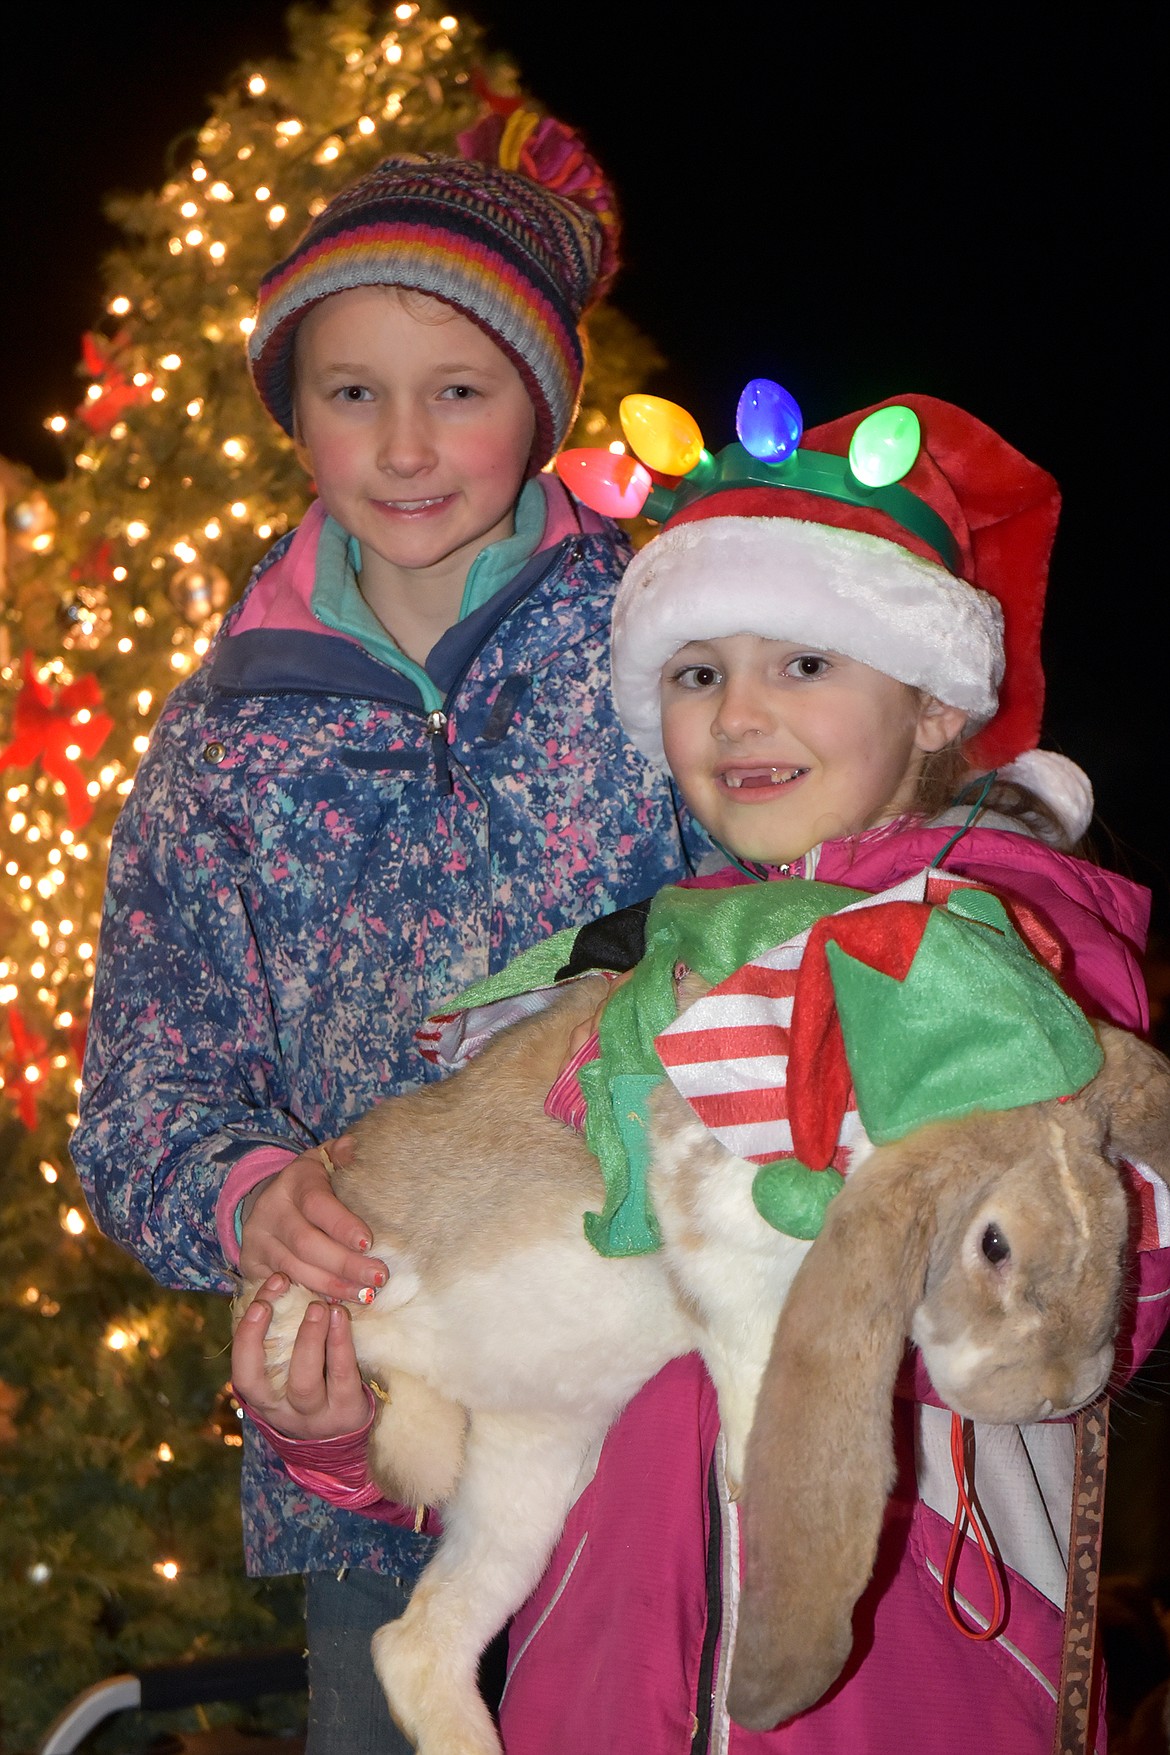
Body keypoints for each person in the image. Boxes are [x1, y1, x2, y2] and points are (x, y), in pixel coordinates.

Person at [232, 390, 1170, 1752]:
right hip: (599, 1699)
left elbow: (1101, 1305)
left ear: (923, 707)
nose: (740, 715)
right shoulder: (613, 993)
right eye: (695, 673)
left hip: (903, 1691)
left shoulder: (1019, 953)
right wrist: (342, 1417)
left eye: (805, 665)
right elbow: (533, 1366)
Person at [72, 112, 706, 1755]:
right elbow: (149, 1079)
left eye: (460, 390)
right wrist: (245, 1194)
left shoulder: (652, 647)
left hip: (667, 1403)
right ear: (295, 412)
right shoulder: (226, 740)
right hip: (378, 1446)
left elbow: (780, 909)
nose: (407, 445)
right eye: (352, 392)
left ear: (540, 404)